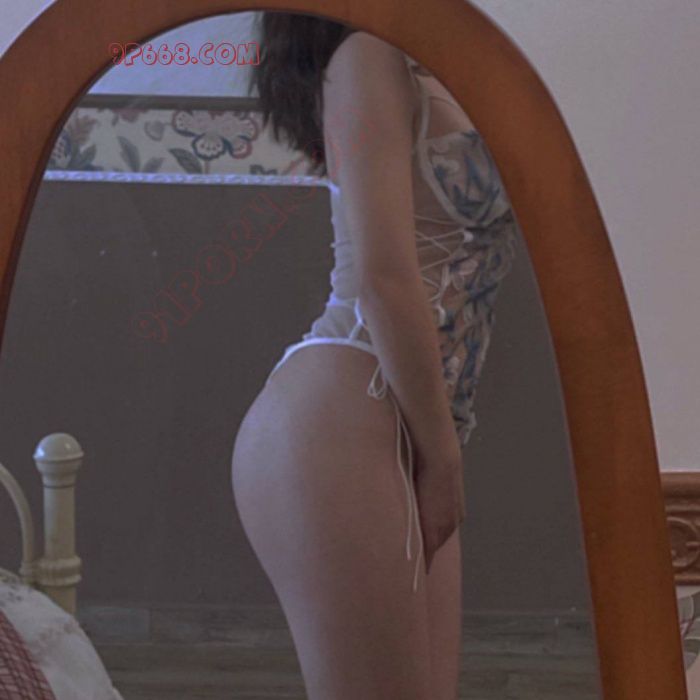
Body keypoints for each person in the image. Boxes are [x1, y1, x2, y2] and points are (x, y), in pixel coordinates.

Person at [231, 12, 517, 700]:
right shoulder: (367, 57)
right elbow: (384, 276)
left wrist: (439, 450)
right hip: (342, 417)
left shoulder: (434, 59)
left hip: (410, 425)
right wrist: (442, 458)